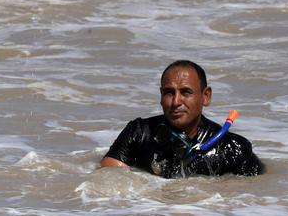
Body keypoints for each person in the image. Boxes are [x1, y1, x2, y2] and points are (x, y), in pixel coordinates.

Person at [100, 60, 264, 178]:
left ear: (205, 96)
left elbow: (253, 198)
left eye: (186, 92)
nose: (176, 101)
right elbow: (107, 182)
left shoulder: (233, 148)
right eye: (169, 92)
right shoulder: (139, 133)